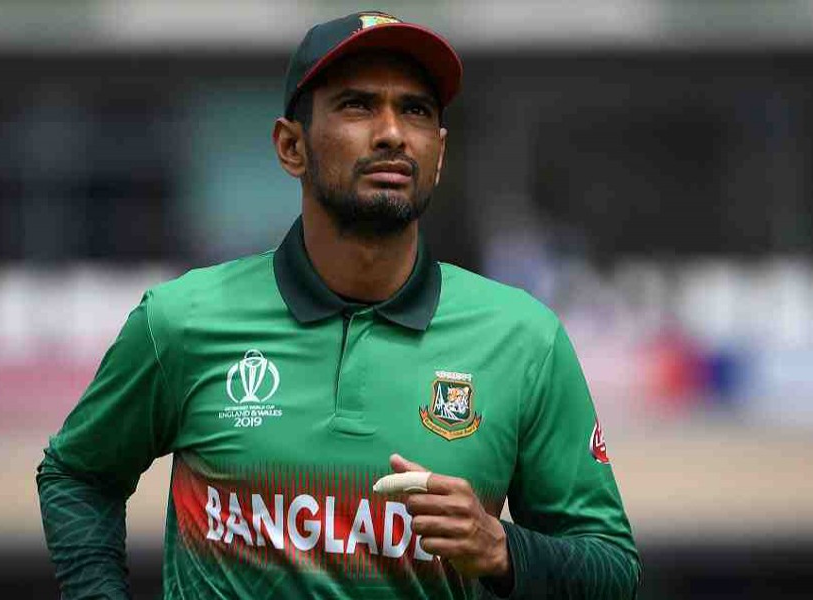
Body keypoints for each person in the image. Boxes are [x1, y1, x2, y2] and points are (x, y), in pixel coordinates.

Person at [37, 10, 640, 599]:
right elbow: (78, 474)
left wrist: (504, 551)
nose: (392, 133)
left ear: (439, 152)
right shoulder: (181, 321)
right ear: (291, 146)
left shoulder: (525, 340)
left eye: (416, 110)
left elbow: (612, 569)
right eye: (357, 105)